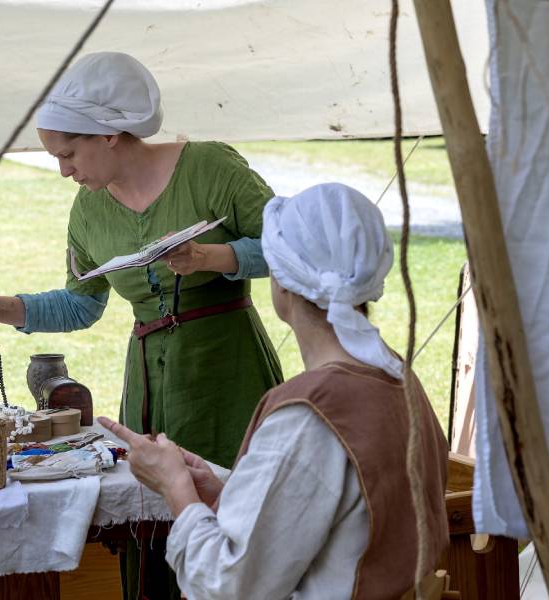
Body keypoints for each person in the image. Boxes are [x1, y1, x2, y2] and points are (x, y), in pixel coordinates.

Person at [0, 52, 283, 598]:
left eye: (69, 153)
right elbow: (82, 303)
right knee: (153, 515)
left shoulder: (211, 169)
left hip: (227, 370)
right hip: (150, 379)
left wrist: (213, 258)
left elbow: (289, 246)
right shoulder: (88, 210)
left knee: (235, 508)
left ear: (109, 134)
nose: (65, 170)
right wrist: (8, 307)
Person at [100, 183, 450, 599]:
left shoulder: (313, 414)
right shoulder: (398, 379)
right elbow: (344, 522)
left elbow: (228, 586)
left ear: (282, 283)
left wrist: (175, 491)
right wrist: (225, 490)